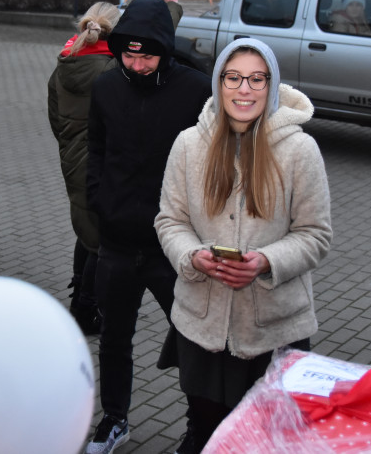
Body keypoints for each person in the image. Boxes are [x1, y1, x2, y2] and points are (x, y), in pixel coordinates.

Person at [154, 38, 332, 453]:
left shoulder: (299, 149)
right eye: (233, 78)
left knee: (266, 442)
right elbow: (170, 220)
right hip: (202, 325)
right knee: (207, 433)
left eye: (257, 79)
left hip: (274, 329)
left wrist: (266, 261)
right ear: (219, 84)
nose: (244, 89)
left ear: (271, 86)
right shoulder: (188, 144)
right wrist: (192, 256)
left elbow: (316, 234)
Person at [85, 0, 211, 454]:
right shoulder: (105, 88)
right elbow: (95, 147)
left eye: (147, 55)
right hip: (116, 243)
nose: (136, 65)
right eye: (128, 54)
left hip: (172, 246)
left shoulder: (196, 90)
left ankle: (198, 428)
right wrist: (98, 197)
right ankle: (114, 420)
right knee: (115, 337)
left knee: (193, 342)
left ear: (166, 49)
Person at [47, 1, 121, 335]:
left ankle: (81, 297)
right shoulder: (110, 70)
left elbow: (54, 115)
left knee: (86, 233)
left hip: (72, 159)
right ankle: (85, 310)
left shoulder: (64, 63)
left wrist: (69, 144)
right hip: (98, 164)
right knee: (99, 242)